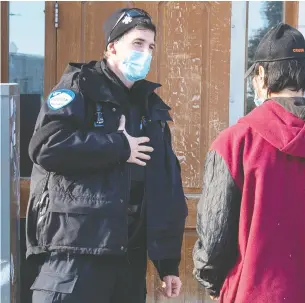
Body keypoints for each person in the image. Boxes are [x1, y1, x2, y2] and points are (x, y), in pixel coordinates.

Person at [192, 23, 305, 303]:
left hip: (256, 291)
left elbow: (215, 234)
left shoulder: (235, 142)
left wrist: (215, 283)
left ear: (261, 75)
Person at [26, 8, 187, 303]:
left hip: (128, 260)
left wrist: (168, 263)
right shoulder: (81, 87)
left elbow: (167, 187)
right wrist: (118, 146)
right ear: (112, 46)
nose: (146, 52)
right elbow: (45, 146)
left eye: (151, 46)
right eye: (137, 43)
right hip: (76, 257)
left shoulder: (150, 108)